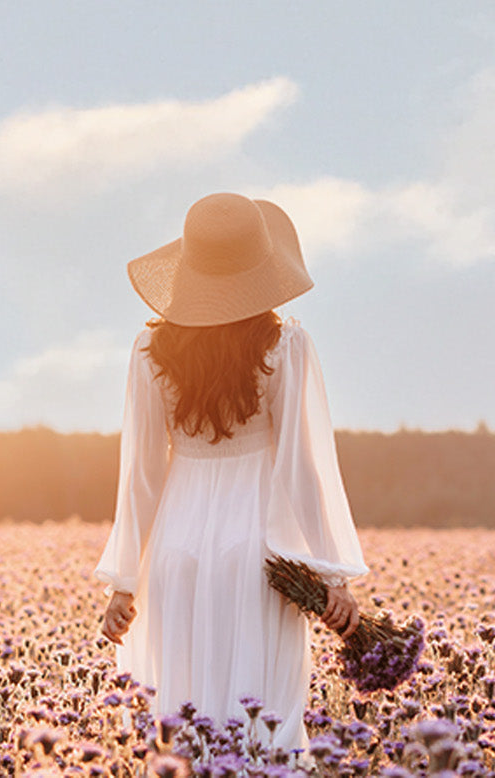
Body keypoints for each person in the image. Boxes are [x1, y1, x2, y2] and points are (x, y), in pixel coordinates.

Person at [92, 192, 368, 760]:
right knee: (263, 719)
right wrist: (333, 569)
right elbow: (303, 467)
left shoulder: (150, 350)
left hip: (176, 549)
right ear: (261, 272)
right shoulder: (285, 346)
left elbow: (140, 475)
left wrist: (124, 579)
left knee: (185, 714)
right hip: (262, 554)